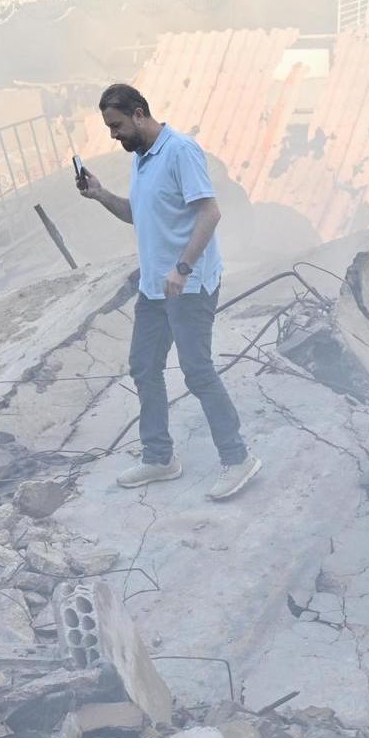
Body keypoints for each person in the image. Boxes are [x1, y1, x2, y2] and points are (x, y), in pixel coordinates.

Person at [78, 83, 261, 501]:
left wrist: (182, 268)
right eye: (110, 127)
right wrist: (100, 195)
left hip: (189, 285)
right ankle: (160, 457)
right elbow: (137, 215)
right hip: (155, 290)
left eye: (117, 125)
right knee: (144, 367)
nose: (113, 135)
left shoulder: (180, 151)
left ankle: (238, 459)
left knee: (197, 371)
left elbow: (210, 212)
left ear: (140, 114)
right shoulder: (143, 159)